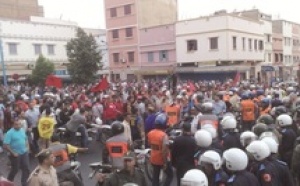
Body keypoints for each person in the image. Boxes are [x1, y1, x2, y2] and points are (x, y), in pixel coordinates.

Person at [147, 113, 173, 186]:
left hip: (154, 158)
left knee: (155, 177)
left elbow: (150, 144)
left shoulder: (150, 133)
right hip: (162, 160)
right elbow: (164, 150)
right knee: (170, 175)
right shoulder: (164, 136)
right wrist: (165, 162)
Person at [4, 118, 30, 186]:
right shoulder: (9, 133)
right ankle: (8, 182)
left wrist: (27, 147)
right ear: (13, 125)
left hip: (24, 152)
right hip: (15, 154)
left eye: (19, 124)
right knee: (15, 169)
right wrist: (13, 153)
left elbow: (26, 138)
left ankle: (24, 183)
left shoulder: (22, 130)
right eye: (16, 124)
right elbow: (6, 145)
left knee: (26, 168)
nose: (18, 126)